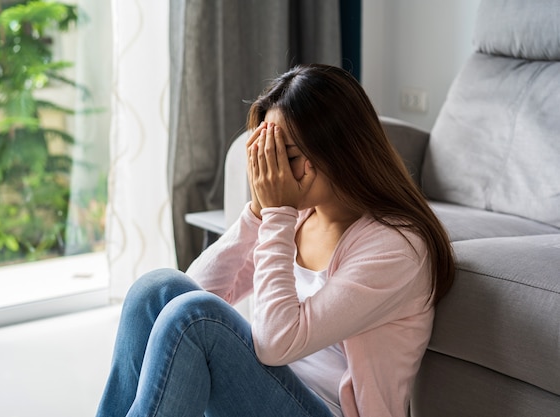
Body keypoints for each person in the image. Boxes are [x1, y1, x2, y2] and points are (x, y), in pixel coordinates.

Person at [96, 64, 454, 417]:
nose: (275, 169)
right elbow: (199, 287)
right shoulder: (302, 218)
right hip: (270, 390)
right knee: (156, 290)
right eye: (269, 154)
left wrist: (278, 213)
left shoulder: (396, 247)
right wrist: (257, 211)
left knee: (195, 320)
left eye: (286, 155)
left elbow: (274, 343)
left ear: (334, 150)